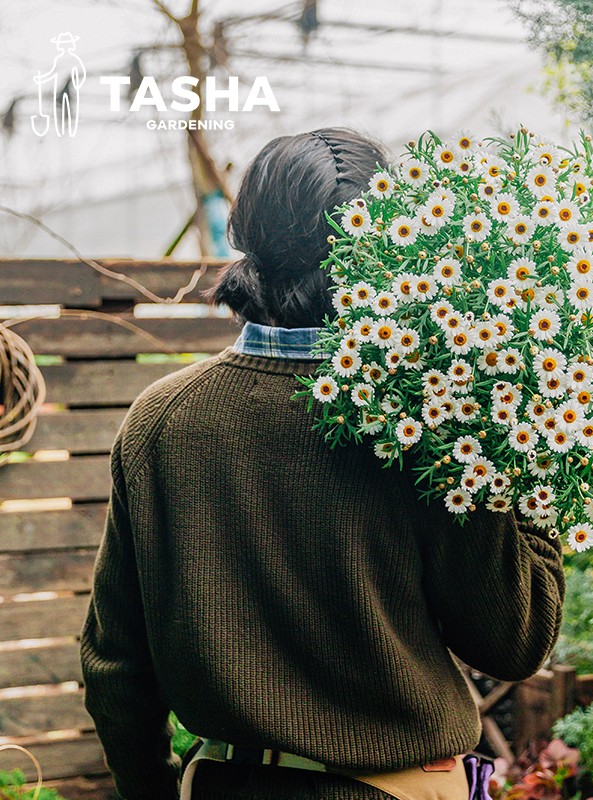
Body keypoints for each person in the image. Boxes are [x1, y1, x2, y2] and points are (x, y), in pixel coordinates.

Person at [79, 127, 566, 800]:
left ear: (246, 235)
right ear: (396, 240)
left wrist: (154, 790)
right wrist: (533, 460)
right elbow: (515, 642)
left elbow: (115, 667)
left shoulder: (160, 423)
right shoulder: (434, 422)